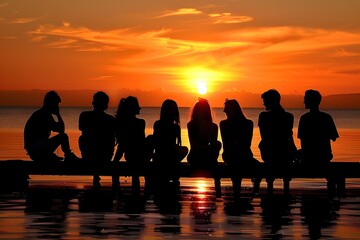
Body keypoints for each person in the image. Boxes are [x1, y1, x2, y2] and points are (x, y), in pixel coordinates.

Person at [298, 89, 339, 194]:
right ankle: (332, 186)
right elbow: (334, 137)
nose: (304, 102)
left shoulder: (304, 118)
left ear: (311, 101)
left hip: (307, 157)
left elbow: (302, 140)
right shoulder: (326, 117)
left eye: (305, 99)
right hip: (324, 156)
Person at [220, 99, 261, 196]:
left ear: (232, 110)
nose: (224, 111)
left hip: (239, 155)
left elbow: (244, 144)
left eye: (226, 108)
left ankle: (241, 190)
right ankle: (248, 189)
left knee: (257, 167)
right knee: (244, 165)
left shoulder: (246, 123)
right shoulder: (247, 123)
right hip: (235, 155)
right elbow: (227, 144)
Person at [258, 89, 296, 194]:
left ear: (271, 101)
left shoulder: (263, 116)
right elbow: (289, 136)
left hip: (270, 154)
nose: (263, 103)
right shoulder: (289, 116)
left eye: (265, 100)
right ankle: (286, 190)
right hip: (285, 154)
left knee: (264, 144)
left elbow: (264, 136)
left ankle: (270, 189)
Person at [24, 91, 80, 162]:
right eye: (56, 104)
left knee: (61, 140)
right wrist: (58, 115)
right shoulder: (44, 115)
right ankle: (68, 155)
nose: (57, 107)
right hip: (37, 150)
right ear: (51, 103)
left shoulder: (41, 114)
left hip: (34, 151)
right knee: (63, 136)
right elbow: (61, 131)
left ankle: (51, 155)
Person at [113, 96, 153, 195]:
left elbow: (122, 145)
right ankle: (148, 187)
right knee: (151, 138)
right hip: (140, 155)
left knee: (150, 139)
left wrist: (116, 160)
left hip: (130, 156)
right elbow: (141, 142)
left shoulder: (121, 123)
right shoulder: (140, 122)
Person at [78, 91, 116, 188]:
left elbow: (84, 133)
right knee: (84, 138)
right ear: (106, 105)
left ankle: (94, 172)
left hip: (90, 155)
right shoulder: (110, 119)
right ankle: (96, 174)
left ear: (93, 103)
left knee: (82, 138)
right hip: (105, 156)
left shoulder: (84, 115)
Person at [187, 98, 222, 197]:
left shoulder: (213, 126)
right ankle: (217, 189)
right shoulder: (191, 125)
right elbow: (193, 145)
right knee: (215, 147)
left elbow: (214, 144)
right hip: (195, 155)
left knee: (218, 144)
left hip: (207, 155)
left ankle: (218, 191)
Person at [153, 99, 188, 188]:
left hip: (164, 155)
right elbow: (157, 143)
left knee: (183, 149)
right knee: (183, 149)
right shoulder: (174, 127)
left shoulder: (159, 124)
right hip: (165, 155)